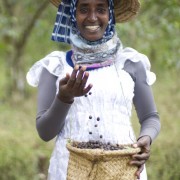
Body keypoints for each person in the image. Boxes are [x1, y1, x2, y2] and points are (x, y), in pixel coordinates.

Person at [26, 0, 161, 179]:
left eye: (100, 9)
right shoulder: (55, 67)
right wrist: (64, 98)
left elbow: (150, 118)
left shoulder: (130, 62)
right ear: (73, 14)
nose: (92, 17)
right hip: (68, 169)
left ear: (110, 14)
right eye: (83, 9)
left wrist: (146, 138)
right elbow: (45, 132)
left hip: (125, 167)